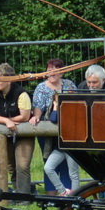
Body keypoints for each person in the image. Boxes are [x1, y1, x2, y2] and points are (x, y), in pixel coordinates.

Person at [31, 59, 79, 195]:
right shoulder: (41, 87)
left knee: (67, 164)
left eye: (56, 69)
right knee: (48, 160)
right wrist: (36, 116)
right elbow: (38, 107)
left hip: (68, 130)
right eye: (49, 69)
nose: (52, 72)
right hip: (48, 130)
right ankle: (52, 192)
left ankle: (70, 192)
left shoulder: (69, 85)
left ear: (62, 73)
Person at [0, 63, 33, 192]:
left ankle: (24, 197)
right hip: (6, 135)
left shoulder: (21, 94)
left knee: (22, 166)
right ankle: (17, 193)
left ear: (9, 80)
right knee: (11, 166)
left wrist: (6, 120)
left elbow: (25, 116)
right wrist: (6, 121)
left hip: (23, 134)